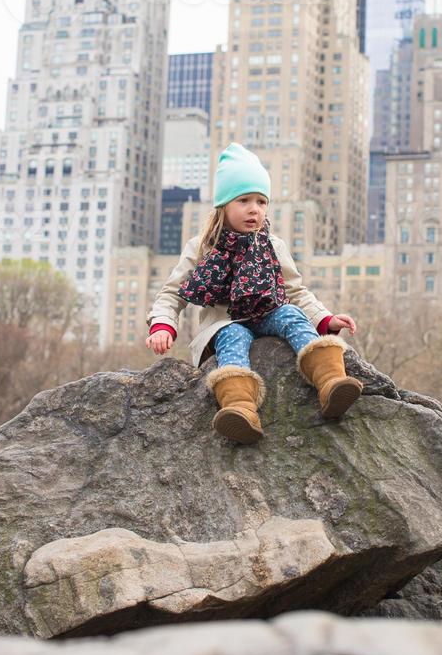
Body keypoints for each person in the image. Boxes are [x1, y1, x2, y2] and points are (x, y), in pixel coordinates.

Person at [145, 142, 363, 444]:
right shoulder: (202, 247)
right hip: (226, 323)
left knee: (291, 314)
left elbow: (296, 292)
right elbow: (172, 294)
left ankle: (331, 382)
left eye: (261, 202)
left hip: (268, 314)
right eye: (244, 200)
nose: (254, 209)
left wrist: (326, 319)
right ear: (224, 205)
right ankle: (240, 409)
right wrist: (162, 325)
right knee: (232, 337)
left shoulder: (272, 245)